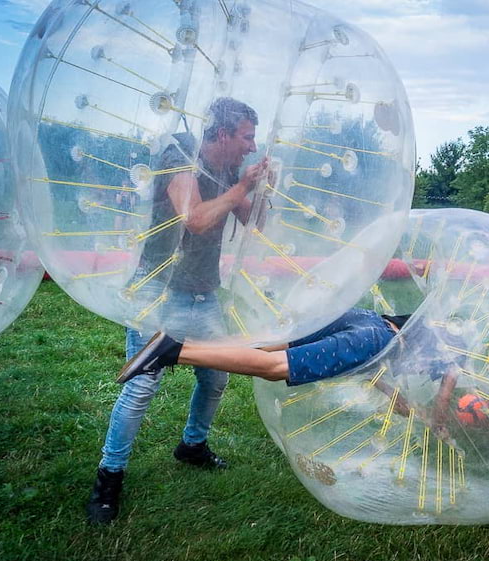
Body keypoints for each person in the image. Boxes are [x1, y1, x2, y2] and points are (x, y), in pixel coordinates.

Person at [87, 98, 269, 525]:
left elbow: (254, 222)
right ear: (222, 134)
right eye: (246, 137)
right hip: (159, 293)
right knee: (141, 388)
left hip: (204, 293)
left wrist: (255, 188)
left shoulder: (229, 169)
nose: (252, 146)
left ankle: (192, 445)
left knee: (215, 377)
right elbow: (195, 219)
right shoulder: (179, 154)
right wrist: (240, 188)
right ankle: (108, 479)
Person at [117, 307, 462, 436]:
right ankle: (174, 352)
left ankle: (175, 340)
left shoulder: (429, 324)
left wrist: (392, 395)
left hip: (366, 318)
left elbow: (375, 364)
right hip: (376, 336)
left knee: (268, 347)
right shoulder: (450, 358)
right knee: (276, 367)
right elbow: (448, 384)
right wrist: (439, 420)